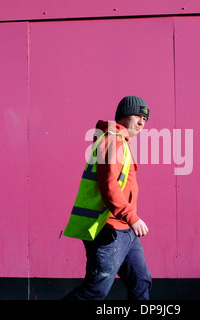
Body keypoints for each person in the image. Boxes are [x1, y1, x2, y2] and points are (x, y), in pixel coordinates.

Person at [62, 96, 152, 300]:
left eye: (145, 119)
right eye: (137, 115)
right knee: (95, 291)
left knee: (141, 282)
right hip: (109, 230)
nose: (141, 122)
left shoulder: (121, 141)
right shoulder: (112, 140)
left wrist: (129, 221)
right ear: (123, 115)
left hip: (125, 230)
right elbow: (109, 186)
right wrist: (132, 216)